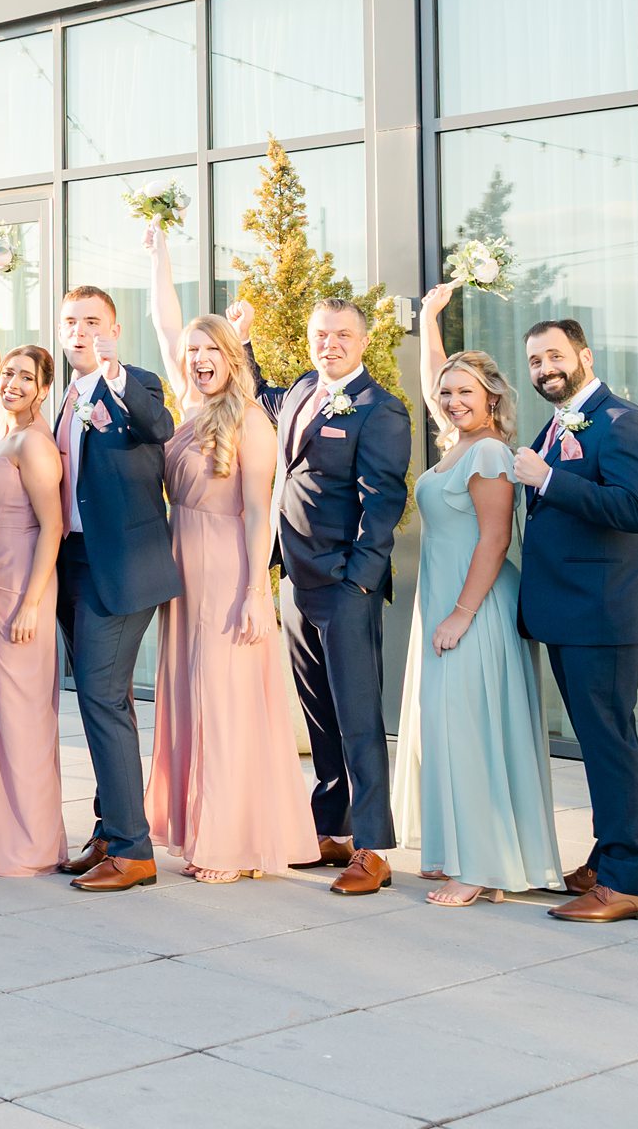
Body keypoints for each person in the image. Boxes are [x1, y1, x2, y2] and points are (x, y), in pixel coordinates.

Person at [141, 232, 317, 883]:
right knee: (190, 698)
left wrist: (254, 593)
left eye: (211, 348)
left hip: (227, 569)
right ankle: (198, 827)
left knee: (225, 702)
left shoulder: (250, 421)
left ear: (233, 355)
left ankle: (231, 843)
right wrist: (157, 259)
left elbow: (256, 513)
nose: (197, 358)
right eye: (192, 351)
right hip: (180, 568)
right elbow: (164, 323)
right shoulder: (188, 404)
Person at [230, 294, 413, 898]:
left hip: (343, 586)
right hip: (296, 583)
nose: (328, 343)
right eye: (320, 334)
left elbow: (382, 502)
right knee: (319, 712)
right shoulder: (305, 389)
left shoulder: (379, 410)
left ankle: (373, 847)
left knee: (359, 717)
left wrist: (358, 579)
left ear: (362, 342)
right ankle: (331, 827)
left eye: (340, 335)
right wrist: (244, 339)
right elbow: (263, 393)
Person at [403, 286, 561, 906]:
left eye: (467, 391)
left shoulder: (491, 450)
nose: (452, 400)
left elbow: (495, 541)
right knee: (448, 731)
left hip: (476, 608)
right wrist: (428, 321)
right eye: (447, 393)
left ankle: (485, 866)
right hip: (446, 605)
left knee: (472, 730)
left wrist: (461, 615)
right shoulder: (457, 445)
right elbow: (435, 380)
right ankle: (465, 851)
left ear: (493, 397)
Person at [512, 318, 638, 925]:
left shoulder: (626, 424)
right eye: (534, 360)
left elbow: (632, 510)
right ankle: (607, 860)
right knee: (600, 745)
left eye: (554, 355)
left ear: (584, 355)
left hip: (605, 613)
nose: (544, 367)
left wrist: (548, 479)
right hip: (567, 612)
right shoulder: (555, 424)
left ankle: (628, 882)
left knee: (610, 747)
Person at [45, 286, 182, 893]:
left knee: (102, 697)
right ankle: (109, 830)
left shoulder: (137, 383)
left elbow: (159, 427)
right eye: (71, 321)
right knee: (106, 699)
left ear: (115, 328)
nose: (80, 331)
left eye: (92, 322)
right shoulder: (66, 394)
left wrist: (114, 373)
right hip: (73, 563)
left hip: (124, 566)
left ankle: (133, 849)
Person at [0, 274, 68, 877]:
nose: (13, 382)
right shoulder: (2, 432)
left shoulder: (35, 445)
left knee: (22, 718)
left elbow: (51, 526)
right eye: (9, 375)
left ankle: (28, 845)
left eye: (27, 376)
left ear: (45, 389)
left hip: (22, 587)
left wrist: (32, 604)